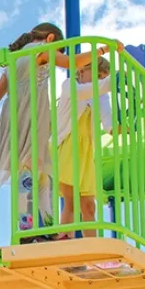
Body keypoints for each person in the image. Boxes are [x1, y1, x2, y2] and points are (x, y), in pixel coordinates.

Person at [0, 23, 100, 236]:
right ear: (50, 39)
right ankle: (36, 230)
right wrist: (102, 50)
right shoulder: (43, 50)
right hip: (32, 115)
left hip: (13, 115)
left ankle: (31, 228)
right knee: (37, 171)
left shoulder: (14, 60)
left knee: (30, 170)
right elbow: (72, 64)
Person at [55, 55, 112, 236]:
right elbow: (81, 93)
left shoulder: (101, 95)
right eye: (97, 75)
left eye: (103, 77)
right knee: (71, 201)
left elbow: (107, 120)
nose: (100, 81)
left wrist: (117, 128)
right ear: (81, 70)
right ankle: (64, 244)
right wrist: (111, 81)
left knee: (89, 206)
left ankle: (93, 252)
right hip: (68, 145)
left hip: (86, 151)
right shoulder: (70, 85)